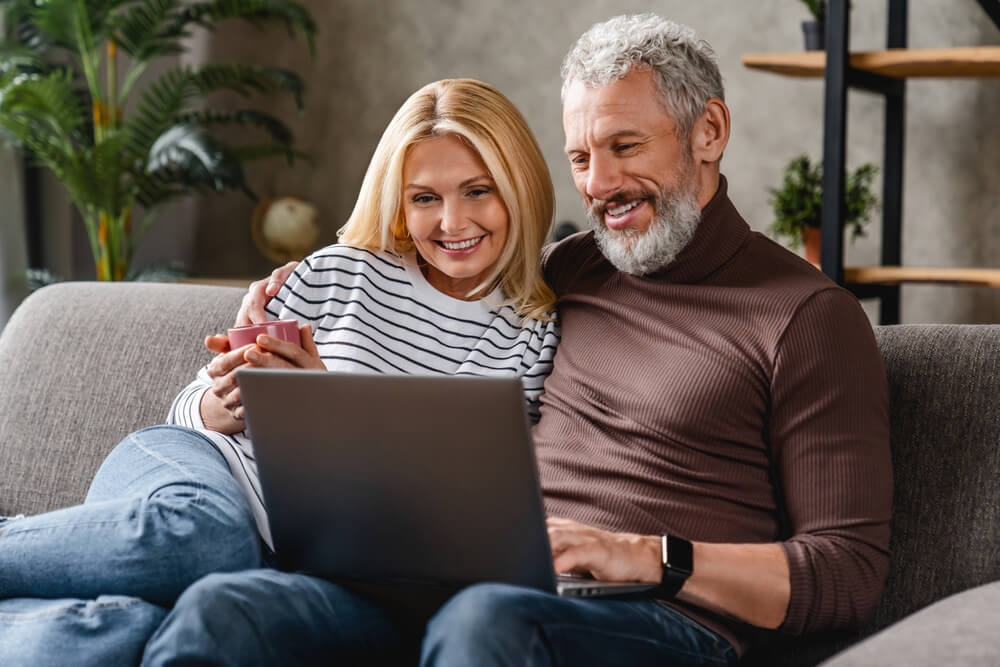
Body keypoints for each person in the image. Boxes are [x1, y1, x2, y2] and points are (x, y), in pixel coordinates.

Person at [143, 13, 892, 667]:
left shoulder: (807, 318)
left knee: (488, 623)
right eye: (580, 157)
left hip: (654, 618)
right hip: (466, 582)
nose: (600, 184)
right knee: (227, 608)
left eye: (626, 146)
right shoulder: (568, 271)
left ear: (709, 131)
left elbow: (849, 572)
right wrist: (286, 326)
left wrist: (644, 554)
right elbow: (431, 274)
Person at [0, 77, 559, 666]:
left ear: (519, 187)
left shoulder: (530, 336)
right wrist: (219, 403)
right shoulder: (342, 273)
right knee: (206, 537)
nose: (452, 221)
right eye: (424, 198)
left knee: (120, 630)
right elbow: (192, 407)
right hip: (195, 474)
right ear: (398, 202)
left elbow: (462, 509)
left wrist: (328, 405)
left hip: (286, 558)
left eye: (478, 191)